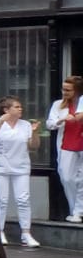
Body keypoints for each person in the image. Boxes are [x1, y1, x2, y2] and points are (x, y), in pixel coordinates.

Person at [0, 96, 39, 249]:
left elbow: (33, 146)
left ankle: (26, 232)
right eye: (17, 107)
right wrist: (0, 121)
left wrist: (35, 132)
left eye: (20, 107)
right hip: (1, 167)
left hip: (21, 167)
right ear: (6, 110)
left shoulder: (25, 125)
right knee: (1, 201)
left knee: (23, 199)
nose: (21, 109)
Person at [47, 77, 83, 222]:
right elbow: (49, 124)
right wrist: (61, 120)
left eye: (68, 90)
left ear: (77, 91)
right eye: (63, 89)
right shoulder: (58, 105)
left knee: (82, 179)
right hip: (67, 143)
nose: (64, 92)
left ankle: (78, 212)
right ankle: (75, 209)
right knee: (66, 177)